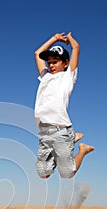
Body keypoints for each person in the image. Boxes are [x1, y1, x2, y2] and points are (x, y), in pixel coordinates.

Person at [34, 32, 94, 179]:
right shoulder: (45, 77)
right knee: (44, 174)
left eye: (55, 61)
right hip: (44, 130)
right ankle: (70, 141)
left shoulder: (68, 77)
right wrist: (55, 38)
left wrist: (70, 38)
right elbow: (37, 53)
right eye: (49, 62)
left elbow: (76, 47)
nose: (51, 65)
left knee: (67, 173)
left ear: (65, 63)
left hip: (60, 128)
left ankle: (82, 150)